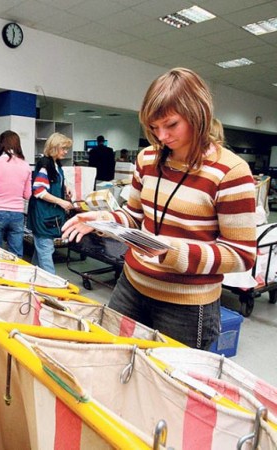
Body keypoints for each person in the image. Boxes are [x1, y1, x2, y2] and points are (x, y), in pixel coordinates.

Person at [61, 67, 257, 350]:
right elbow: (135, 215)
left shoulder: (231, 171)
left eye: (171, 125)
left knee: (168, 386)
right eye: (154, 127)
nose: (161, 136)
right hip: (132, 285)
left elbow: (241, 254)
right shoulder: (148, 159)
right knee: (111, 358)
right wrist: (105, 219)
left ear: (197, 113)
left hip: (187, 306)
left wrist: (173, 253)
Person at [27, 132, 75, 274]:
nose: (66, 152)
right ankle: (53, 284)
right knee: (46, 250)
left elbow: (55, 179)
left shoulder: (55, 164)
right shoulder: (45, 165)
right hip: (43, 214)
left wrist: (65, 186)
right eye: (63, 148)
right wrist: (61, 202)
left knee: (41, 249)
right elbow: (39, 191)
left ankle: (32, 275)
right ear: (54, 147)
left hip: (49, 214)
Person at [0, 130, 32, 257]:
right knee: (15, 253)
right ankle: (14, 275)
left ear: (0, 144)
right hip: (17, 213)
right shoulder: (26, 166)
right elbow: (27, 195)